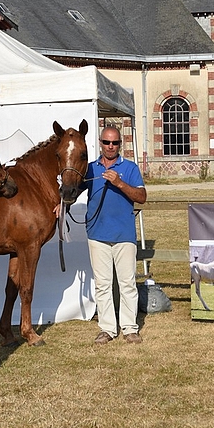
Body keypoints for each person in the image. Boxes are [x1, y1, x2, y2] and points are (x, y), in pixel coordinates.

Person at [82, 126, 147, 345]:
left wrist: (119, 182)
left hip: (124, 234)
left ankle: (130, 328)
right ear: (100, 143)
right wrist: (59, 204)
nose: (111, 146)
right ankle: (107, 329)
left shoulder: (129, 168)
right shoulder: (90, 169)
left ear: (121, 144)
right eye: (107, 142)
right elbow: (71, 190)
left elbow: (142, 196)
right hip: (96, 234)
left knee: (127, 283)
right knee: (102, 284)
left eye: (115, 143)